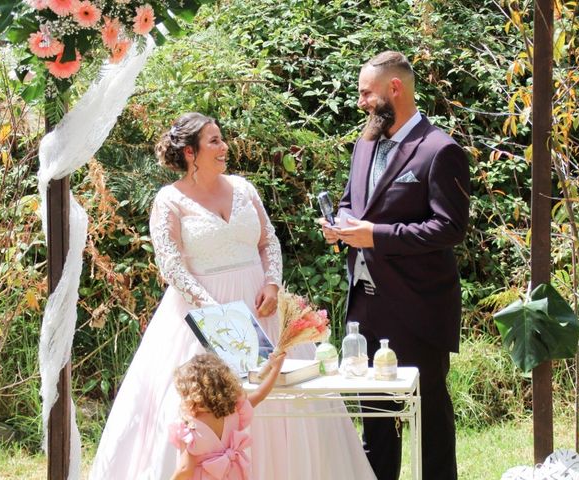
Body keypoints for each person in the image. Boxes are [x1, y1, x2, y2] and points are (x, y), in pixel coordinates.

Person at [90, 112, 376, 480]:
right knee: (204, 404)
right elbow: (172, 267)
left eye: (222, 139)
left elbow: (268, 240)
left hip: (262, 308)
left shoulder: (243, 188)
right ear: (190, 153)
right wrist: (217, 313)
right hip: (202, 314)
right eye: (214, 141)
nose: (224, 147)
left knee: (283, 392)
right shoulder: (169, 200)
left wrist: (272, 283)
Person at [321, 51, 470, 480]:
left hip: (419, 306)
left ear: (395, 89)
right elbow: (354, 202)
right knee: (376, 421)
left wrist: (377, 236)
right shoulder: (365, 142)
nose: (361, 102)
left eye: (367, 93)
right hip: (365, 303)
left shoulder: (440, 149)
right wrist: (340, 225)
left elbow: (449, 228)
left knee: (430, 419)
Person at [168, 351, 286, 480]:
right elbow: (259, 394)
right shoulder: (234, 411)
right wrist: (276, 368)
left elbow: (185, 469)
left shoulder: (189, 429)